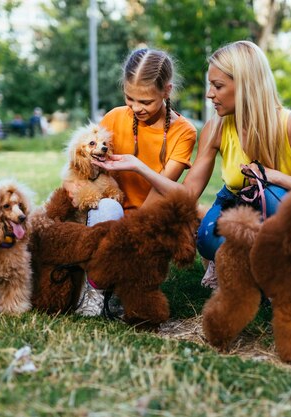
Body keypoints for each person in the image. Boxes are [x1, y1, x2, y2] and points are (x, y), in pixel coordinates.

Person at [93, 40, 291, 287]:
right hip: (234, 205)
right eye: (210, 85)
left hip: (278, 209)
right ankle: (251, 271)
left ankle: (284, 269)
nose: (209, 94)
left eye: (217, 86)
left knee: (272, 196)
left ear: (246, 86)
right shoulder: (216, 128)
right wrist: (137, 165)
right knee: (207, 238)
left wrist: (276, 177)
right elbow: (187, 194)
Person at [69, 48, 197, 315]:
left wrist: (138, 166)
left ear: (167, 91)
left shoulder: (183, 131)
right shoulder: (115, 118)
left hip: (149, 216)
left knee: (136, 235)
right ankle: (97, 288)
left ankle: (120, 282)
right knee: (107, 209)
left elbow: (165, 191)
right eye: (130, 98)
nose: (137, 107)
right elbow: (85, 168)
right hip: (111, 210)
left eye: (146, 101)